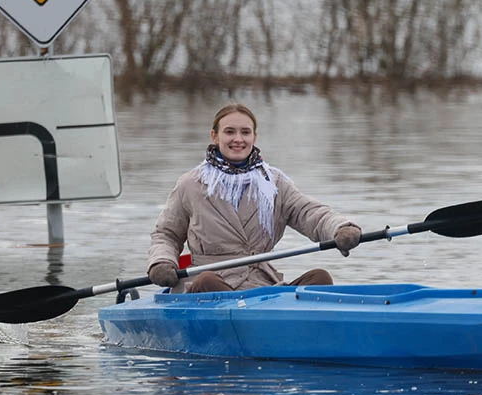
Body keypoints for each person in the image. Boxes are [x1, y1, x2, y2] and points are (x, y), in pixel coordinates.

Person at [147, 103, 362, 293]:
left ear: (254, 137)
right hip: (209, 286)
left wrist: (339, 228)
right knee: (207, 280)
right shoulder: (190, 184)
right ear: (215, 136)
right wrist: (162, 262)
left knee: (320, 278)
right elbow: (166, 234)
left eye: (245, 132)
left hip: (262, 286)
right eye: (229, 132)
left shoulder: (274, 182)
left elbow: (309, 213)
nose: (238, 139)